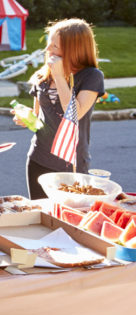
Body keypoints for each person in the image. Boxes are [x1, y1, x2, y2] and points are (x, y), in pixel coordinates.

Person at [20, 18, 104, 199]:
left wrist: (59, 77)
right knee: (40, 216)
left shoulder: (91, 76)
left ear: (74, 49)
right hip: (38, 158)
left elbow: (74, 113)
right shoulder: (43, 75)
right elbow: (38, 118)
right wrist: (26, 117)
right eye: (49, 44)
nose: (47, 50)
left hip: (70, 163)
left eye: (55, 46)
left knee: (65, 221)